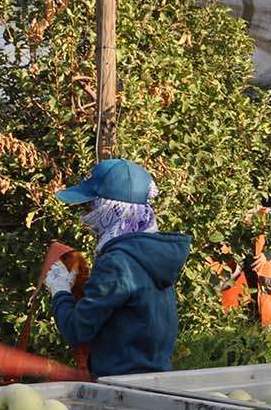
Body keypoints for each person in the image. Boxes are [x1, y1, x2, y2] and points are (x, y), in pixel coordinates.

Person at [45, 158, 191, 376]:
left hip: (121, 384)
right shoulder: (150, 253)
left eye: (90, 205)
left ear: (108, 207)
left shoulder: (117, 263)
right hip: (156, 379)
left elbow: (77, 330)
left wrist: (60, 291)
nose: (84, 215)